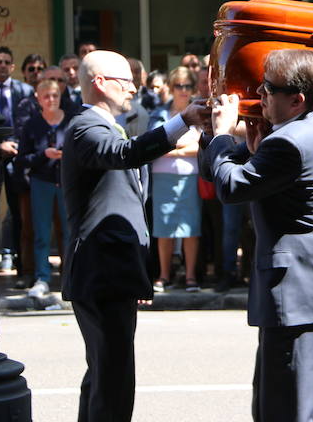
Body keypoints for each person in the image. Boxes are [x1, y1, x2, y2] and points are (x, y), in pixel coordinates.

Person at [201, 49, 313, 422]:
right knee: (285, 397)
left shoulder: (289, 142)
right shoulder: (304, 128)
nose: (260, 95)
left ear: (297, 100)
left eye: (268, 89)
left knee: (289, 404)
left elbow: (232, 188)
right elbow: (219, 172)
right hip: (304, 284)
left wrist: (221, 134)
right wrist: (222, 143)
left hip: (298, 288)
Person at [61, 50, 204, 422]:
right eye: (125, 80)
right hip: (101, 274)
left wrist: (138, 276)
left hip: (113, 274)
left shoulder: (108, 125)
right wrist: (183, 121)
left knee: (104, 376)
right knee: (112, 382)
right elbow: (124, 154)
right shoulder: (85, 127)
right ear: (100, 83)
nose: (133, 88)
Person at [149, 66, 203, 292]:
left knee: (191, 228)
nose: (183, 90)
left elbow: (202, 146)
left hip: (189, 177)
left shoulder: (199, 112)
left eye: (187, 86)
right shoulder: (158, 114)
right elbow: (152, 145)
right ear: (171, 88)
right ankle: (163, 275)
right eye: (179, 86)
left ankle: (190, 276)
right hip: (162, 177)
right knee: (164, 229)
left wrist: (173, 147)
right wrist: (184, 146)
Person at [0, 46, 34, 275]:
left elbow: (32, 125)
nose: (2, 65)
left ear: (12, 67)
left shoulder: (25, 90)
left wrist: (19, 147)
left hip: (18, 157)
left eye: (6, 62)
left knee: (19, 213)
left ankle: (22, 267)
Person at [16, 79, 71, 299]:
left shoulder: (71, 121)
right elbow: (22, 159)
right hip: (42, 182)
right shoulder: (32, 124)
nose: (51, 100)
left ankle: (69, 276)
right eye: (46, 96)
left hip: (67, 182)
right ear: (38, 99)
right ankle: (42, 277)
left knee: (69, 232)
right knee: (41, 232)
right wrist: (43, 155)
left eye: (55, 95)